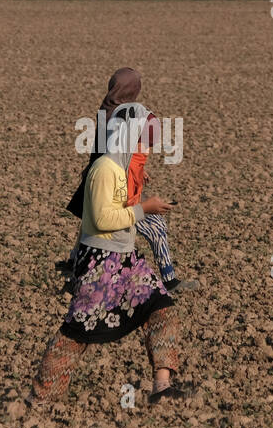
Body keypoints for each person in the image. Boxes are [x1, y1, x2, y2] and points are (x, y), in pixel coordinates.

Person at [32, 103, 191, 404]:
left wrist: (139, 198)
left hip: (126, 260)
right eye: (143, 141)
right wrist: (145, 209)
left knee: (161, 306)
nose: (146, 149)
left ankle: (162, 386)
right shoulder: (105, 170)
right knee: (77, 332)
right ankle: (41, 397)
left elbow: (121, 207)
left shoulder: (122, 170)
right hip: (99, 266)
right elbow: (103, 219)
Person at [63, 67, 198, 293]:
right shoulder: (120, 116)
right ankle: (169, 280)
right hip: (117, 187)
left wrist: (137, 170)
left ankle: (74, 272)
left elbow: (114, 154)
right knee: (155, 226)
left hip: (101, 181)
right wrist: (132, 176)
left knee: (91, 228)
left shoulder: (108, 109)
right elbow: (116, 155)